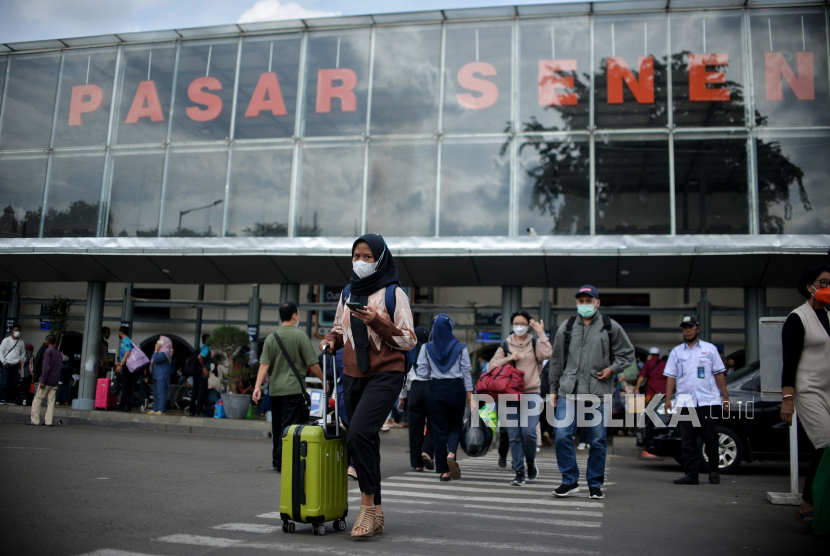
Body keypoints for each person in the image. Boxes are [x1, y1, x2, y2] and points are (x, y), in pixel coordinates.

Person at [321, 233, 416, 538]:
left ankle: (366, 508)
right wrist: (331, 340)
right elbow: (339, 326)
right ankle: (378, 511)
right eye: (356, 256)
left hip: (386, 373)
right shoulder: (349, 291)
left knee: (359, 433)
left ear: (381, 259)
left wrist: (376, 320)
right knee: (366, 439)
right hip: (352, 373)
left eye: (367, 257)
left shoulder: (394, 294)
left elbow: (408, 339)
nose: (360, 262)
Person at [549, 285, 635, 499]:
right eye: (581, 300)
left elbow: (627, 354)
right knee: (561, 435)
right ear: (577, 303)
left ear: (597, 303)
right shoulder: (566, 327)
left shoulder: (609, 326)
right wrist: (553, 389)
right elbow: (557, 360)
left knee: (597, 439)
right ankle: (569, 480)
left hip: (598, 391)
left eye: (589, 300)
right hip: (569, 390)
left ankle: (595, 483)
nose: (585, 304)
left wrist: (612, 369)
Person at [780, 265, 830, 532]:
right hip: (808, 391)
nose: (828, 287)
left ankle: (822, 502)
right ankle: (807, 505)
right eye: (823, 282)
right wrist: (788, 399)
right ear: (809, 286)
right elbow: (789, 362)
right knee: (826, 444)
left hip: (829, 389)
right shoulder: (797, 318)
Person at [253, 301, 323, 472]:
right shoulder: (300, 337)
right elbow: (313, 364)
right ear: (294, 316)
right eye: (298, 313)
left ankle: (277, 461)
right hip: (293, 389)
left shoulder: (271, 338)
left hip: (275, 390)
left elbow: (264, 365)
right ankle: (287, 461)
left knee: (277, 426)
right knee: (290, 427)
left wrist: (256, 387)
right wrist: (323, 380)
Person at [664, 315, 729, 486]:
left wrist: (725, 397)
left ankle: (714, 471)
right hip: (685, 403)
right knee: (687, 441)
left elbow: (719, 374)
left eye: (690, 327)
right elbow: (671, 377)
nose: (687, 330)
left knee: (710, 438)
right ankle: (691, 475)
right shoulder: (676, 352)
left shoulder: (710, 349)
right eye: (684, 327)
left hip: (707, 402)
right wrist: (668, 399)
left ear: (697, 329)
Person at [489, 310, 552, 486]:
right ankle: (519, 472)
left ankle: (530, 461)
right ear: (511, 325)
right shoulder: (506, 344)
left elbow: (548, 354)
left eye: (523, 324)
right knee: (514, 435)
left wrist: (541, 332)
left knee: (529, 432)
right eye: (516, 323)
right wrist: (508, 358)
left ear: (528, 325)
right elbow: (491, 366)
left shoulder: (534, 343)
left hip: (531, 393)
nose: (519, 327)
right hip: (510, 395)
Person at [416, 314, 473, 482]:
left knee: (439, 430)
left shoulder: (426, 348)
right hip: (456, 389)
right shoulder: (460, 347)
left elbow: (422, 373)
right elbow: (466, 373)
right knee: (455, 426)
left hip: (436, 389)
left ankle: (444, 471)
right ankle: (452, 453)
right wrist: (471, 396)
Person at [398, 326, 434, 472]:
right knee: (433, 424)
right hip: (431, 388)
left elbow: (404, 376)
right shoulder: (432, 351)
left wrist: (402, 397)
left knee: (415, 428)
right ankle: (427, 450)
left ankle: (417, 463)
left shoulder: (410, 352)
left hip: (415, 390)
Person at [637, 347, 668, 459]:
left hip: (651, 395)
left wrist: (637, 388)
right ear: (658, 355)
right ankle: (659, 447)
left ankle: (647, 447)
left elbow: (641, 377)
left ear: (650, 355)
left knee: (648, 420)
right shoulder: (664, 363)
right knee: (662, 420)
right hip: (664, 396)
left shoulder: (648, 363)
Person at [27, 335, 62, 426]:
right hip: (55, 381)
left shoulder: (47, 352)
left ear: (47, 342)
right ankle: (48, 421)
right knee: (51, 402)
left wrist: (43, 380)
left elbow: (46, 367)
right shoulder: (59, 353)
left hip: (47, 381)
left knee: (37, 399)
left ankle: (34, 420)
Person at [0, 325, 25, 405]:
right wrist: (4, 362)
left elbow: (23, 352)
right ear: (12, 331)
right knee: (4, 382)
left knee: (12, 382)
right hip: (7, 364)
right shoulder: (6, 340)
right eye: (16, 330)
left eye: (19, 331)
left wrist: (20, 360)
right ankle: (2, 398)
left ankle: (9, 398)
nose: (18, 332)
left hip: (15, 364)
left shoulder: (21, 342)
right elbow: (1, 351)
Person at [149, 336, 174, 415]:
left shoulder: (166, 351)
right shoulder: (160, 351)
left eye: (160, 341)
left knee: (161, 392)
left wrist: (156, 349)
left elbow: (157, 359)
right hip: (156, 374)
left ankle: (161, 409)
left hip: (162, 375)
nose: (158, 342)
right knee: (156, 393)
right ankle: (155, 408)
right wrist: (156, 350)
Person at [189, 333, 212, 417]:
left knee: (195, 391)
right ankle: (199, 410)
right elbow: (200, 357)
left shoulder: (201, 347)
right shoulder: (206, 348)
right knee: (201, 392)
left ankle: (191, 410)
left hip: (196, 373)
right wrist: (205, 368)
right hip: (202, 373)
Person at [115, 326, 137, 412]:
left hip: (127, 366)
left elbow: (127, 353)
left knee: (125, 386)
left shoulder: (126, 340)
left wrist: (121, 364)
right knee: (125, 386)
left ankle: (127, 406)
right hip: (126, 365)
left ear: (120, 332)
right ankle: (121, 405)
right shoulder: (126, 341)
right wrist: (120, 363)